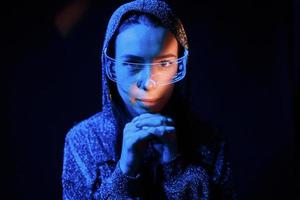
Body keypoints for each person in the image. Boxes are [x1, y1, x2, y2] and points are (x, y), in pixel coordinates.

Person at [62, 0, 236, 199]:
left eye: (164, 63)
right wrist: (124, 172)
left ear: (179, 65)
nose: (148, 83)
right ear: (111, 67)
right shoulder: (83, 140)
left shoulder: (210, 141)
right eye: (132, 63)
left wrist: (176, 166)